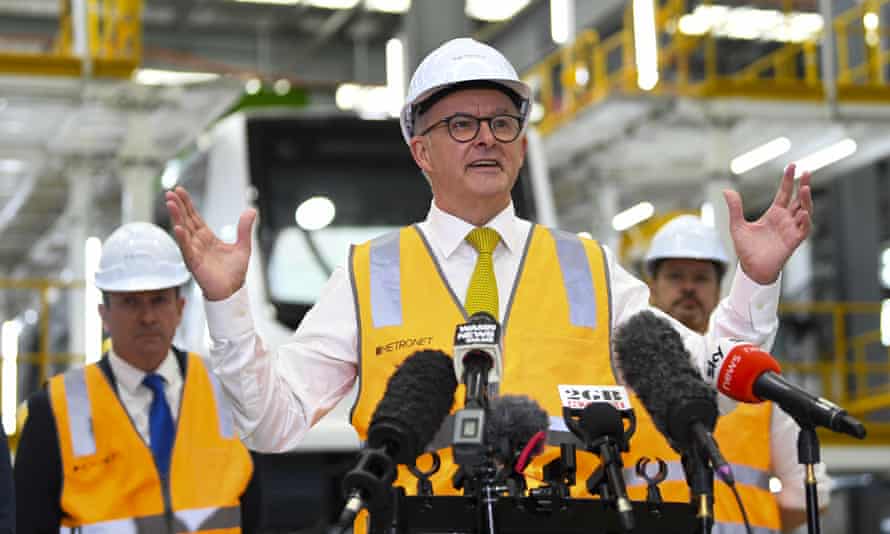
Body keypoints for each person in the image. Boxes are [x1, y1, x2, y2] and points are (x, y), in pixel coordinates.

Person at [165, 37, 813, 531]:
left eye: (502, 123)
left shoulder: (584, 266)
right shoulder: (368, 273)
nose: (486, 138)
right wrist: (226, 305)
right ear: (421, 150)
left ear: (522, 147)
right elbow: (272, 425)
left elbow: (707, 381)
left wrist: (756, 283)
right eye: (461, 124)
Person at [14, 222, 257, 533]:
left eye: (158, 299)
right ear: (104, 315)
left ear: (180, 307)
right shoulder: (53, 409)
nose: (147, 317)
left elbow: (252, 511)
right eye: (131, 302)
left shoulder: (227, 391)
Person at [642, 214, 829, 532]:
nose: (688, 288)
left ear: (718, 291)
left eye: (701, 278)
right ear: (652, 287)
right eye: (675, 276)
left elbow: (809, 495)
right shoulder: (619, 381)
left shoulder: (759, 390)